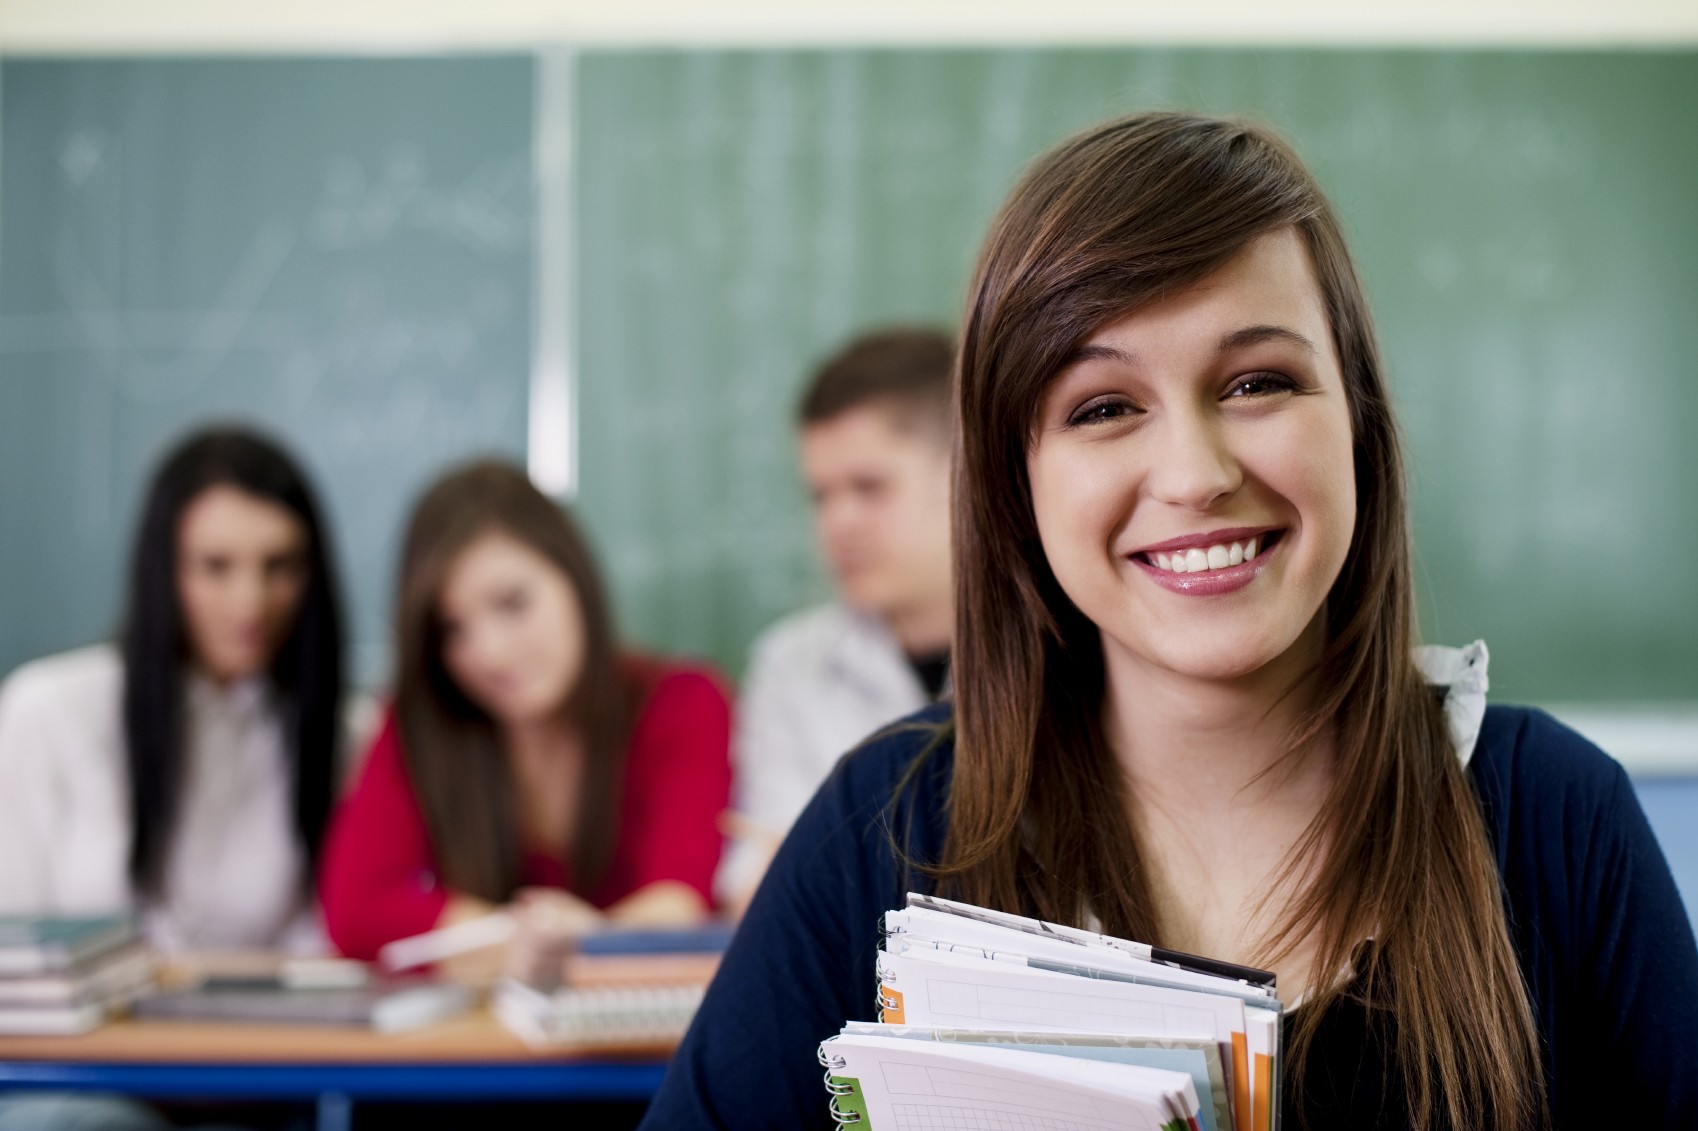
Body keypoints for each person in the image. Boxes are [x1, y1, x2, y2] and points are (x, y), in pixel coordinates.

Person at [642, 112, 1698, 1129]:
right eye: (1103, 407)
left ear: (1359, 428)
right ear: (1019, 479)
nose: (1196, 475)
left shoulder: (1555, 818)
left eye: (1258, 382)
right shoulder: (888, 827)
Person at [319, 460, 731, 970]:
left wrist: (559, 945)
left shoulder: (683, 704)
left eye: (512, 603)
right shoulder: (423, 719)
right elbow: (355, 914)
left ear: (574, 577)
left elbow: (681, 908)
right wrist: (527, 939)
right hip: (484, 1044)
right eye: (452, 629)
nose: (488, 653)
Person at [0, 426, 345, 951]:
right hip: (72, 1034)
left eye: (280, 567)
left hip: (259, 1034)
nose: (251, 602)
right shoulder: (50, 710)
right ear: (164, 569)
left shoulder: (338, 732)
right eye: (215, 566)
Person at [715, 328, 955, 916]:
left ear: (966, 475)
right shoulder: (791, 662)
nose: (837, 523)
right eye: (820, 496)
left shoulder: (1073, 644)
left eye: (868, 487)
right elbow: (758, 879)